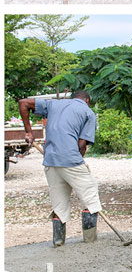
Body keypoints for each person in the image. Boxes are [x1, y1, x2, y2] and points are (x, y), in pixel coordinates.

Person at [18, 92, 102, 247]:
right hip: (71, 160)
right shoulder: (88, 112)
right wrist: (77, 159)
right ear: (87, 101)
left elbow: (23, 103)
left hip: (50, 161)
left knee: (59, 204)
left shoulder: (53, 104)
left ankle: (58, 242)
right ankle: (90, 241)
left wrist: (28, 132)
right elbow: (81, 145)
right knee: (91, 198)